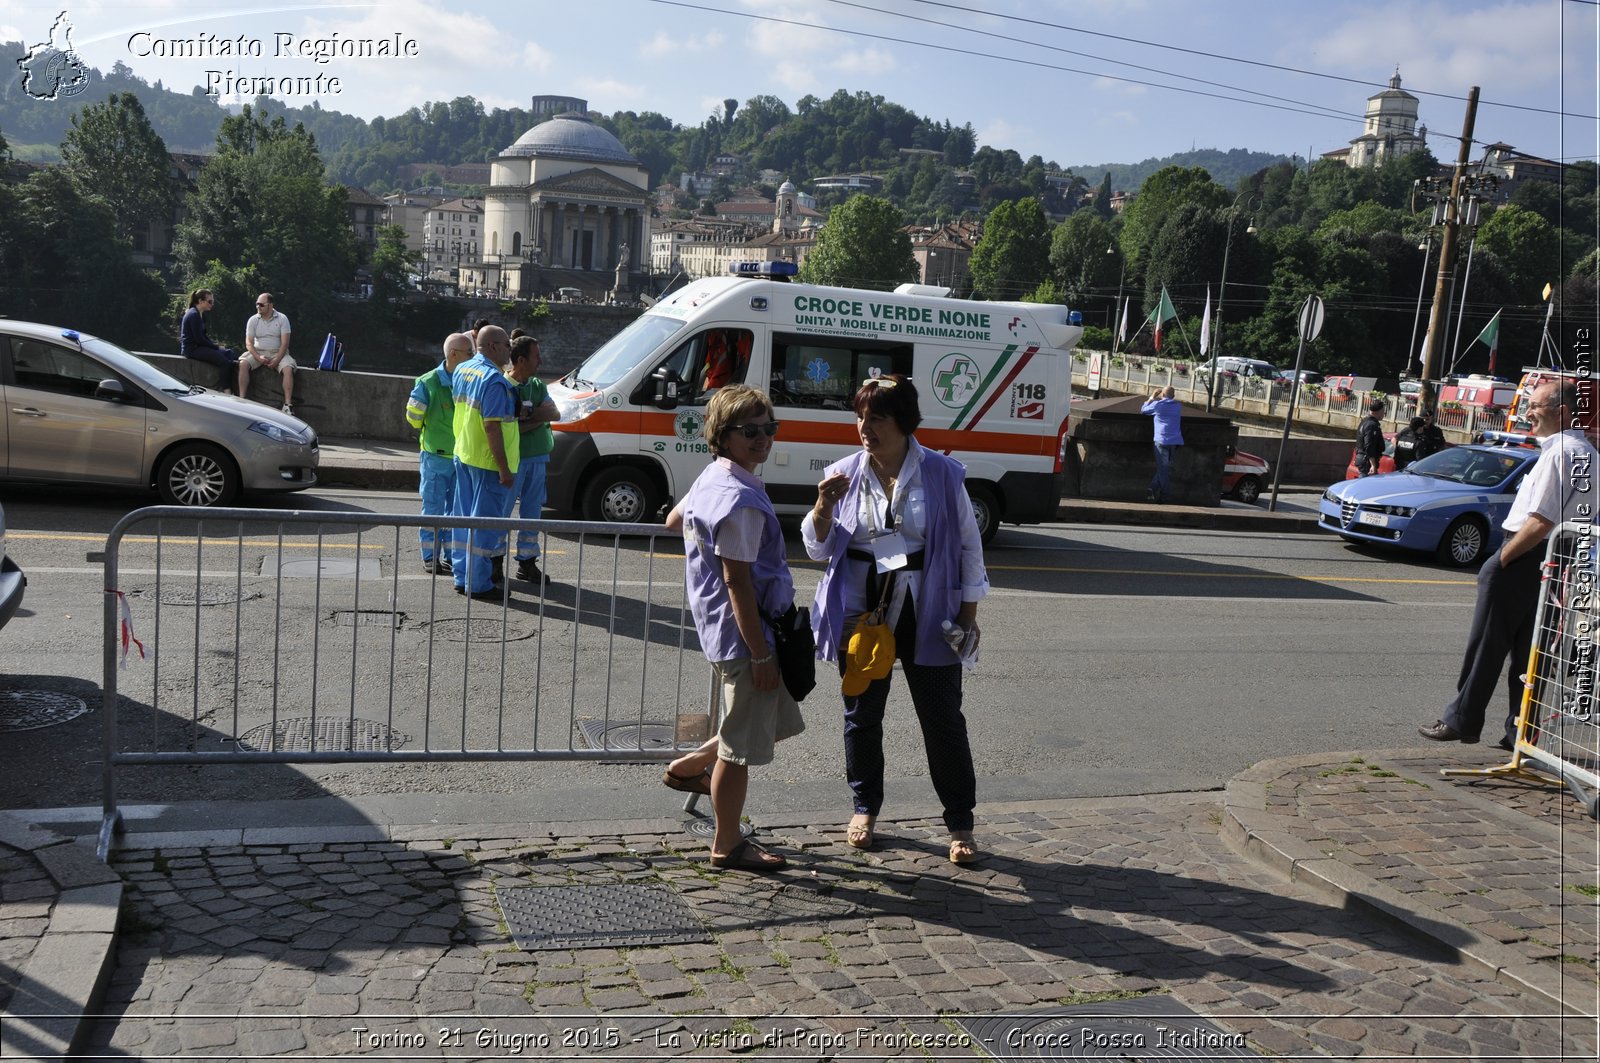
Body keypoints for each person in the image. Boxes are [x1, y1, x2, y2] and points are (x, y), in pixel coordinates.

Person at [802, 374, 989, 865]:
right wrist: (822, 506)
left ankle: (960, 821)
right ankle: (864, 807)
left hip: (931, 609)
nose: (865, 427)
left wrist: (968, 613)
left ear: (904, 422)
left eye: (877, 418)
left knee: (943, 719)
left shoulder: (944, 474)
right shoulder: (844, 473)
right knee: (862, 716)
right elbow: (816, 547)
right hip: (862, 613)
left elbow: (970, 546)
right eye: (860, 416)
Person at [659, 385, 804, 872]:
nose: (762, 438)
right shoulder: (739, 499)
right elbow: (737, 580)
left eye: (769, 428)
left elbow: (674, 520)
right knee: (740, 750)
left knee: (758, 728)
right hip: (746, 636)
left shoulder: (715, 477)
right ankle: (727, 844)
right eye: (750, 431)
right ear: (722, 435)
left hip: (721, 629)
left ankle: (690, 767)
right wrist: (760, 653)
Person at [1420, 381, 1598, 750]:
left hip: (1526, 556)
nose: (1526, 413)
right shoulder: (1588, 453)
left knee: (1487, 644)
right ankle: (1522, 733)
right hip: (1557, 561)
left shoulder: (1559, 452)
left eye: (1534, 406)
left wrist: (1499, 560)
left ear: (1562, 412)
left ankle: (1462, 720)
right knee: (1532, 652)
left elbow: (1539, 521)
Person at [448, 325, 519, 599]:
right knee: (484, 526)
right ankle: (478, 584)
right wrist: (504, 468)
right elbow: (492, 427)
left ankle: (460, 576)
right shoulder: (494, 380)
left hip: (464, 454)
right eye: (506, 345)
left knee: (463, 519)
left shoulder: (463, 369)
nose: (510, 350)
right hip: (488, 463)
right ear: (492, 347)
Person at [406, 333, 473, 576]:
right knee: (435, 509)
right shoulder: (428, 382)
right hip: (436, 456)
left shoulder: (448, 381)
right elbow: (413, 418)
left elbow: (415, 419)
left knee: (453, 512)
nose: (472, 357)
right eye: (469, 353)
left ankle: (447, 556)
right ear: (453, 353)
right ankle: (431, 557)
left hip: (456, 455)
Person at [503, 335, 559, 585]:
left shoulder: (537, 385)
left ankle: (527, 562)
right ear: (522, 360)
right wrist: (537, 418)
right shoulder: (503, 386)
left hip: (538, 457)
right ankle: (493, 561)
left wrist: (527, 415)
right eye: (537, 356)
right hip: (514, 459)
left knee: (531, 513)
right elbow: (510, 428)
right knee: (502, 512)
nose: (541, 360)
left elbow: (554, 412)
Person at [239, 293, 295, 413]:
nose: (258, 307)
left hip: (278, 351)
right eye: (257, 304)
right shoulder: (253, 320)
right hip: (258, 350)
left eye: (261, 304)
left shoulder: (282, 319)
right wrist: (258, 357)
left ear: (270, 305)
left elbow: (285, 344)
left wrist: (277, 360)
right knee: (243, 364)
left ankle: (287, 405)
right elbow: (249, 343)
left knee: (288, 369)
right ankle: (242, 398)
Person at [178, 289, 236, 392]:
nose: (212, 304)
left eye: (212, 301)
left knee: (229, 353)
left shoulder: (201, 315)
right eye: (210, 301)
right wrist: (216, 347)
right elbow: (199, 339)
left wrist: (216, 346)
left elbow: (204, 337)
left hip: (200, 347)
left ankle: (226, 382)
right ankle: (226, 390)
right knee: (224, 362)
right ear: (200, 301)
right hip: (192, 349)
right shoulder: (193, 315)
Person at [1140, 385, 1184, 503]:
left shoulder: (1158, 405)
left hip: (1161, 440)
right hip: (1175, 441)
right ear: (1173, 396)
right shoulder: (1178, 406)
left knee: (1163, 469)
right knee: (1165, 469)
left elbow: (1143, 410)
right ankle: (1153, 488)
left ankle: (1164, 496)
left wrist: (1152, 397)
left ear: (1162, 395)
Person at [1355, 398, 1387, 476]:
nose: (1384, 413)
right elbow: (1369, 446)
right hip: (1366, 462)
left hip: (1363, 459)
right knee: (1365, 485)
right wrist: (1373, 465)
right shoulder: (1372, 425)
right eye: (1383, 411)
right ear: (1377, 412)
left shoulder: (1365, 421)